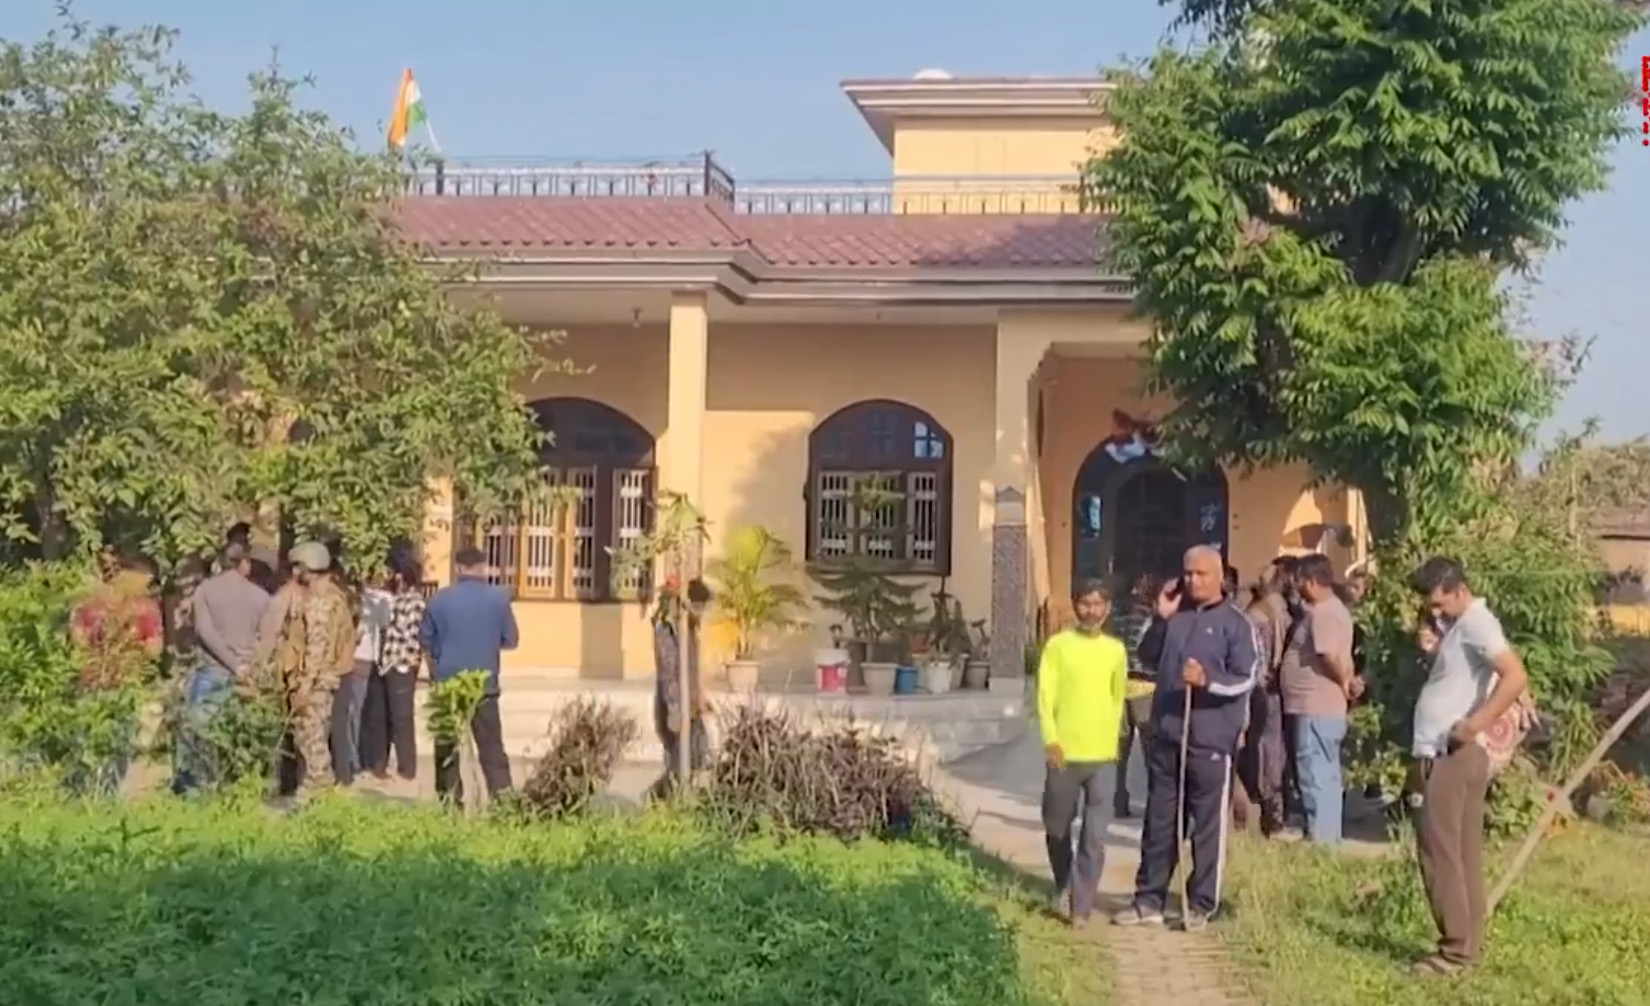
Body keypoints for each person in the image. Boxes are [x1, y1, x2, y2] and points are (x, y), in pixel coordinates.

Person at [1114, 545, 1260, 932]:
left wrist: (1208, 680)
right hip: (1168, 735)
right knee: (1159, 823)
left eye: (1201, 574)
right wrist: (1161, 619)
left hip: (1211, 742)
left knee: (1207, 828)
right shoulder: (1174, 617)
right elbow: (1147, 658)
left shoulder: (1236, 624)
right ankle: (1149, 900)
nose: (1193, 580)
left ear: (1219, 577)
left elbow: (1246, 678)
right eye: (1188, 573)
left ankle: (1200, 904)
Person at [1407, 557, 1529, 977]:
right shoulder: (1465, 625)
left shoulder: (1477, 623)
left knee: (1439, 854)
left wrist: (1476, 723)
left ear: (1460, 589)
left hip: (1449, 754)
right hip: (1455, 753)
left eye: (1440, 604)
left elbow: (1514, 676)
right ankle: (1467, 944)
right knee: (1461, 854)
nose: (1435, 612)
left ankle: (1454, 952)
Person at [1038, 578, 1129, 928]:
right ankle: (1065, 883)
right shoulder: (1058, 646)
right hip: (1064, 752)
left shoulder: (1115, 650)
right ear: (1075, 605)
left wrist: (1114, 742)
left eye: (1098, 604)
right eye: (1085, 603)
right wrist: (1051, 740)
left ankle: (1081, 907)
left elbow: (1117, 699)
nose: (1092, 611)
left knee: (1095, 835)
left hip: (1102, 756)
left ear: (1108, 608)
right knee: (1056, 826)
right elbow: (1045, 696)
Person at [421, 545, 518, 806]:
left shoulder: (438, 600)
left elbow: (426, 642)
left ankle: (450, 804)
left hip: (447, 685)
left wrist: (438, 665)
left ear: (458, 568)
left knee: (446, 749)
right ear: (483, 568)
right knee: (492, 749)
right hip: (484, 686)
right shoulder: (498, 599)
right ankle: (504, 804)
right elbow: (511, 640)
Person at [173, 541, 271, 794]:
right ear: (244, 564)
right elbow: (266, 639)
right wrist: (247, 666)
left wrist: (232, 664)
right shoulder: (261, 597)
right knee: (241, 734)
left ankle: (194, 790)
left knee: (197, 732)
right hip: (247, 675)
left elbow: (204, 631)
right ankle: (238, 786)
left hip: (212, 670)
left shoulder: (205, 590)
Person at [1280, 554, 1358, 844]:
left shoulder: (1323, 613)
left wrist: (1344, 682)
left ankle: (1322, 839)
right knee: (1326, 773)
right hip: (1322, 707)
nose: (1297, 586)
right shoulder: (1335, 610)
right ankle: (1327, 835)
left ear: (1312, 581)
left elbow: (1327, 655)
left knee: (1314, 773)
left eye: (1300, 580)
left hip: (1316, 705)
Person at [284, 540, 357, 800]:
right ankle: (317, 793)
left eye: (299, 567)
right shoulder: (335, 596)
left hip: (316, 683)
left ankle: (317, 793)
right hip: (326, 680)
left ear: (310, 566)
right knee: (313, 739)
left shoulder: (320, 601)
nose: (296, 572)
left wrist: (304, 688)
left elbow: (316, 648)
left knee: (311, 742)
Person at [361, 541, 425, 780]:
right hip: (387, 663)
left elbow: (413, 637)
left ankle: (407, 768)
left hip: (401, 664)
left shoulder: (413, 600)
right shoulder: (396, 598)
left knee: (401, 718)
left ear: (400, 574)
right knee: (382, 716)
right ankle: (379, 764)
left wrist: (407, 662)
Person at [647, 577, 713, 801]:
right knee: (679, 764)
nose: (701, 613)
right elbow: (668, 672)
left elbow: (692, 668)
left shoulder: (690, 629)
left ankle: (676, 801)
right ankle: (657, 799)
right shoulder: (667, 629)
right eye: (699, 607)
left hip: (690, 706)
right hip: (673, 705)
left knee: (698, 757)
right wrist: (675, 710)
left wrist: (700, 697)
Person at [1237, 568, 1291, 835]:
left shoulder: (1256, 615)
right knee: (1273, 747)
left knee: (1261, 747)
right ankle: (1274, 806)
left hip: (1259, 688)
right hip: (1275, 687)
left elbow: (1253, 659)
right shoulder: (1282, 610)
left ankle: (1264, 801)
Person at [1109, 573, 1160, 818]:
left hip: (1120, 687)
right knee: (1151, 753)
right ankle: (1155, 802)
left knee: (1120, 751)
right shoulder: (1153, 620)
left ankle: (1118, 801)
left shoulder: (1115, 619)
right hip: (1146, 689)